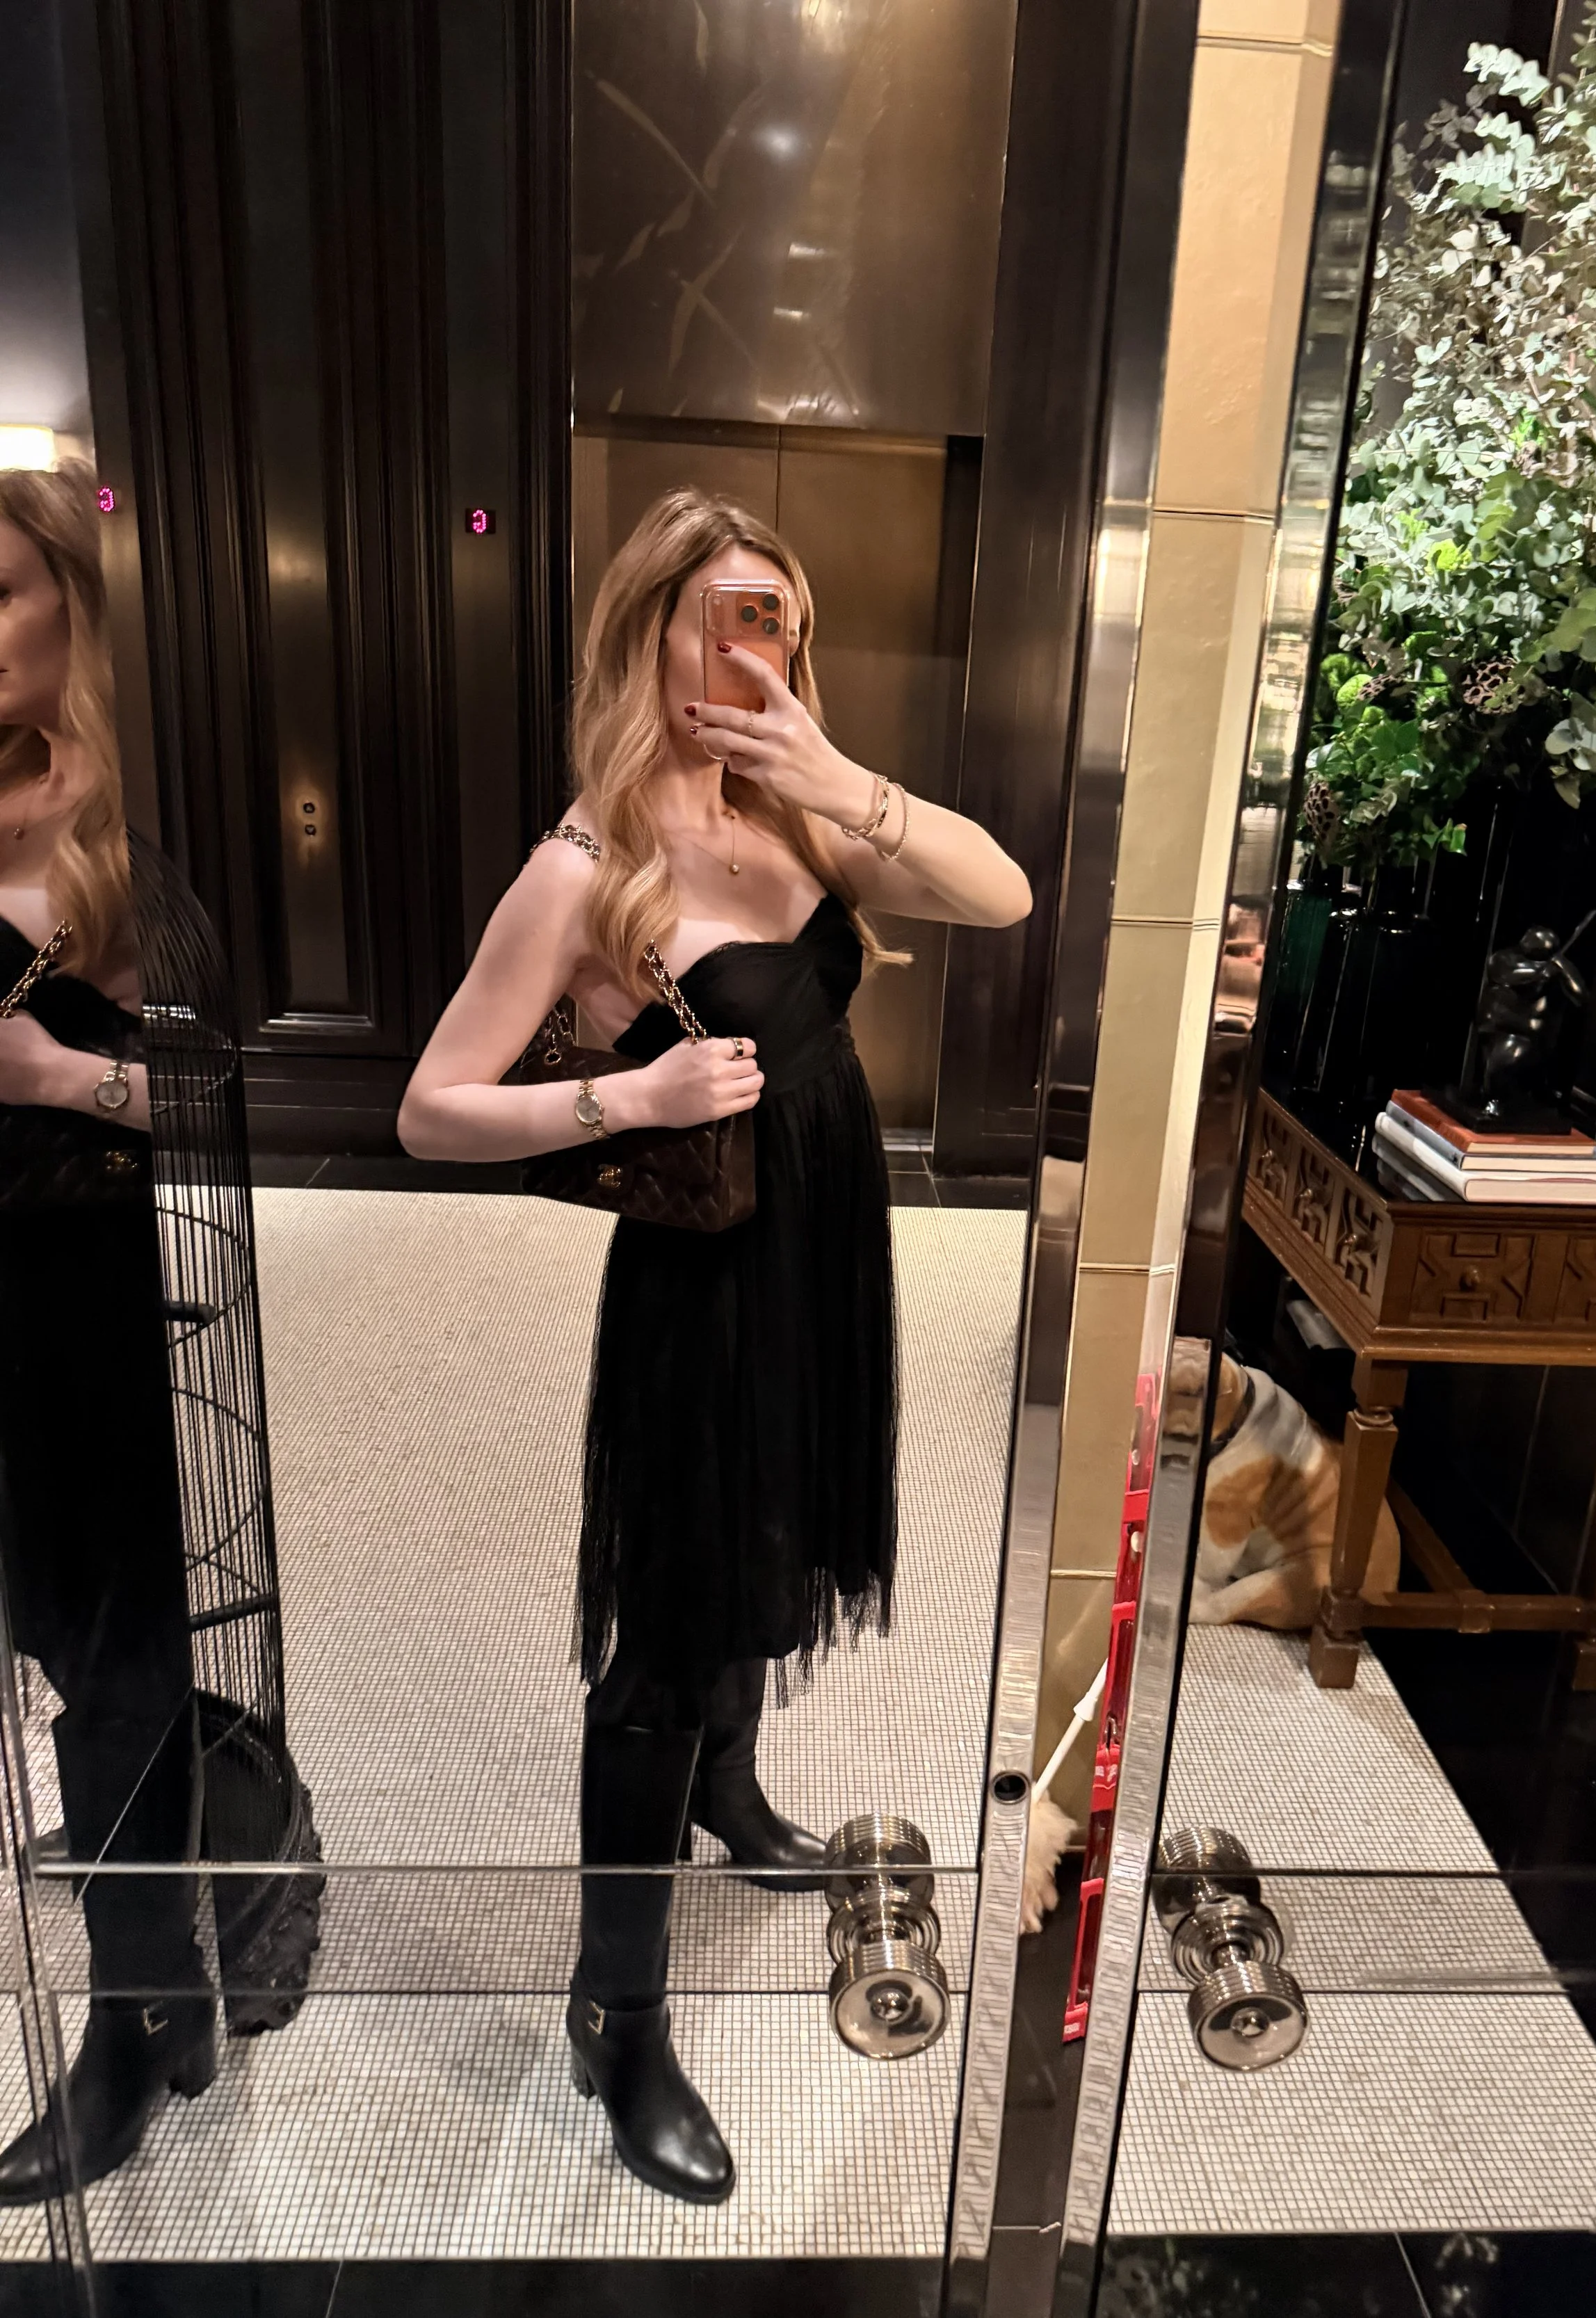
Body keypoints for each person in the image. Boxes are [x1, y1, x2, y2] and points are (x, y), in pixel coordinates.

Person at [398, 488, 1031, 2203]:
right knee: (671, 1626)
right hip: (705, 1273)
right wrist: (629, 1089)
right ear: (654, 624)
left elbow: (1000, 889)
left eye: (789, 616)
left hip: (827, 1238)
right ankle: (616, 2014)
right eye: (736, 610)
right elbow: (429, 1109)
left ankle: (733, 1797)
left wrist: (830, 772)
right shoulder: (586, 862)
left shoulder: (795, 806)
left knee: (780, 1533)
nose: (767, 644)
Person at [0, 463, 213, 2200]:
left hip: (73, 1295)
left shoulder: (126, 843)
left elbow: (223, 1104)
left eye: (1, 589)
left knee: (113, 1663)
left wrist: (54, 1072)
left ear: (71, 602)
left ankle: (136, 2024)